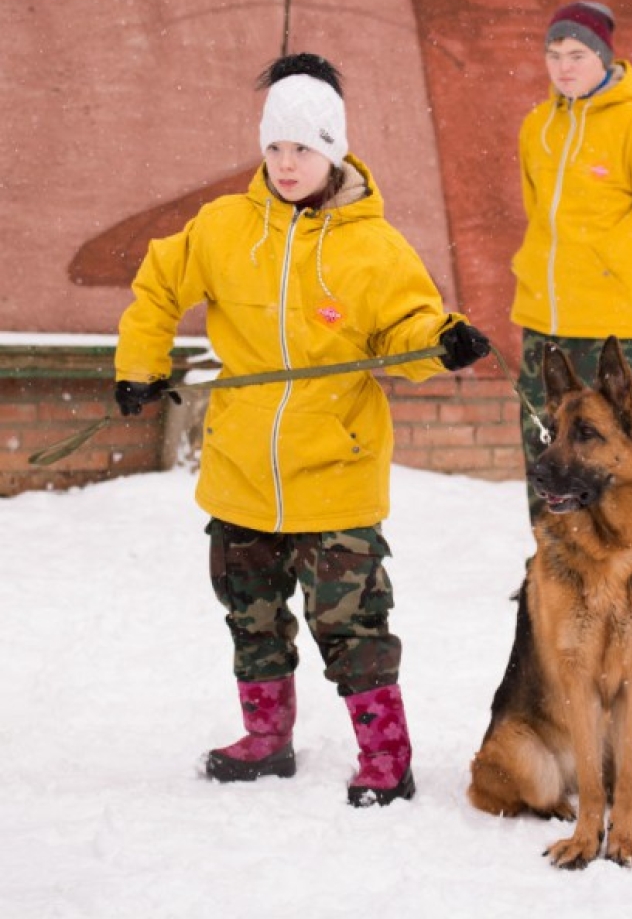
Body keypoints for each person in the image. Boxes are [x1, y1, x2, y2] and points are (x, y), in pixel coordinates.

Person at [114, 52, 490, 806]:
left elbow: (404, 327)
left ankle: (386, 756)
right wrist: (139, 365)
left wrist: (439, 341)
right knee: (250, 615)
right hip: (241, 468)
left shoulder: (372, 247)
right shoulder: (223, 228)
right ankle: (266, 738)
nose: (287, 165)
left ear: (334, 152)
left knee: (352, 624)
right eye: (275, 148)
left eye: (304, 149)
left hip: (335, 471)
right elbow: (158, 286)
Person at [511, 1, 632, 519]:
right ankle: (547, 581)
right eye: (553, 54)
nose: (563, 66)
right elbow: (538, 216)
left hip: (611, 330)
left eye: (577, 54)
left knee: (607, 465)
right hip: (541, 324)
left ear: (605, 59)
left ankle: (610, 580)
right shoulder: (536, 128)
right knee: (546, 463)